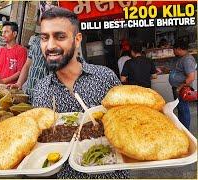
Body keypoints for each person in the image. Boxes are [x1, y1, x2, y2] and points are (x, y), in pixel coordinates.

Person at [32, 7, 128, 178]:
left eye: (60, 36)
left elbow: (126, 123)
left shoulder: (104, 77)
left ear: (77, 40)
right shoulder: (40, 90)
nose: (50, 45)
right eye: (44, 38)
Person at [9, 25, 49, 101]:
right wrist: (19, 83)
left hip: (45, 96)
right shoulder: (36, 41)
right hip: (30, 92)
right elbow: (27, 65)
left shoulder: (59, 44)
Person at [169, 38, 197, 129]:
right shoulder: (180, 58)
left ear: (179, 49)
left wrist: (179, 87)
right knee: (180, 109)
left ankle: (185, 130)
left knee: (184, 110)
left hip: (182, 89)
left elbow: (191, 77)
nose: (173, 52)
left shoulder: (187, 60)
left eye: (174, 49)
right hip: (177, 88)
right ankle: (181, 127)